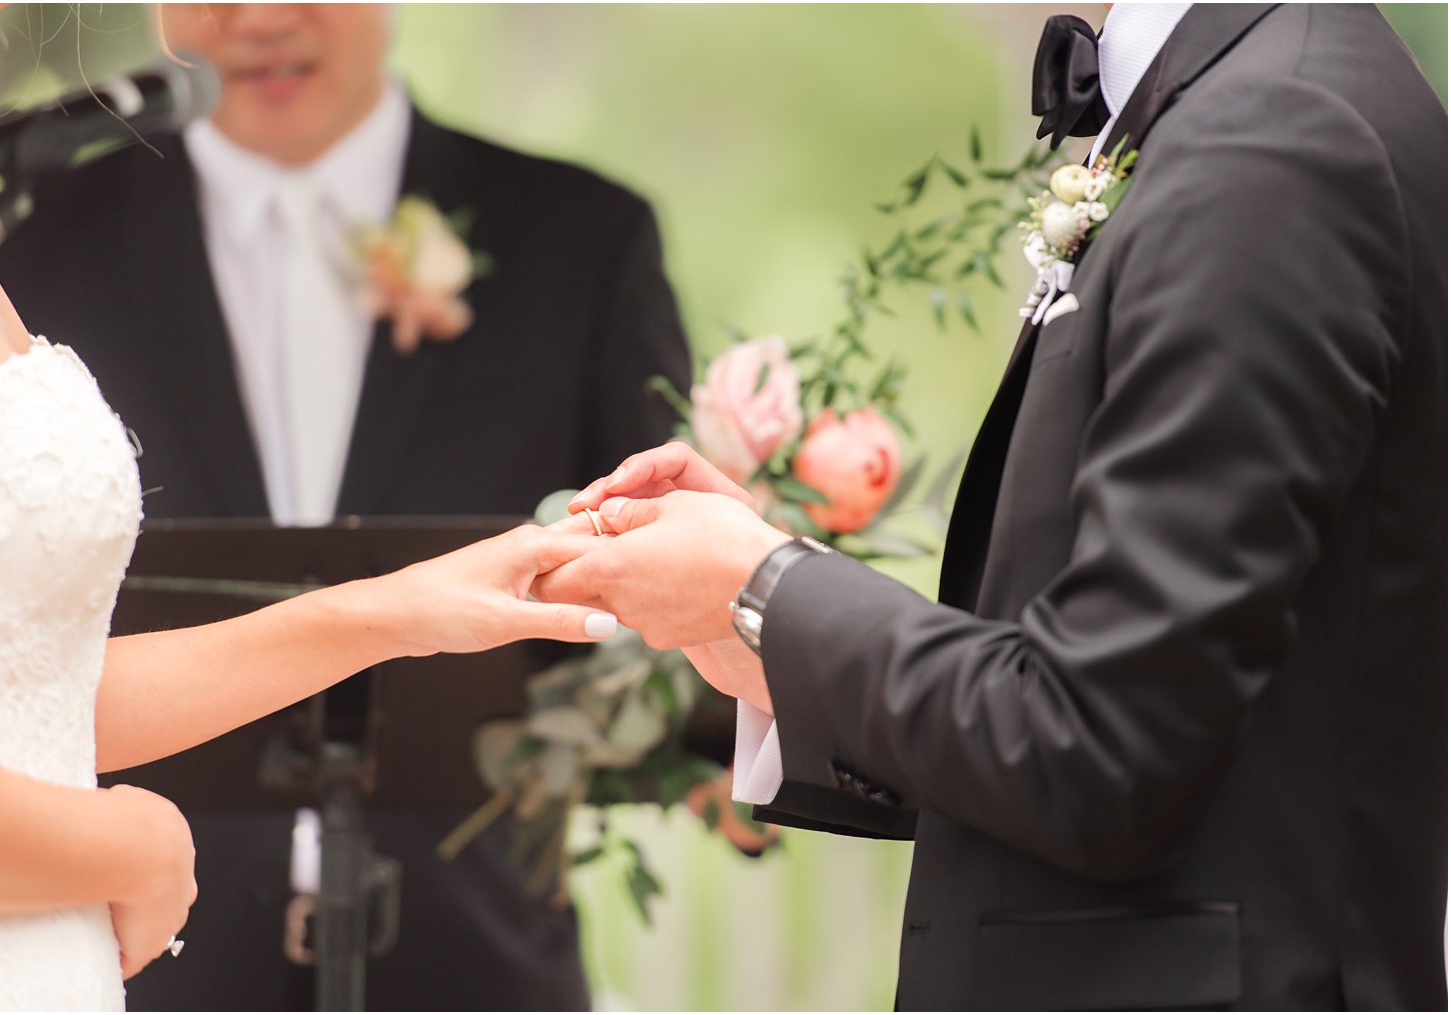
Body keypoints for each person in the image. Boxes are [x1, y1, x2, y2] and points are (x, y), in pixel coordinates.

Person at [554, 4, 1447, 1009]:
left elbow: (1104, 746)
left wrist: (766, 588)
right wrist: (765, 631)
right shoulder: (1239, 107)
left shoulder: (1274, 140)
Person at [0, 4, 692, 1010]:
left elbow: (662, 564)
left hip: (477, 953)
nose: (265, 16)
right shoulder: (20, 240)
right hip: (132, 953)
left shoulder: (582, 235)